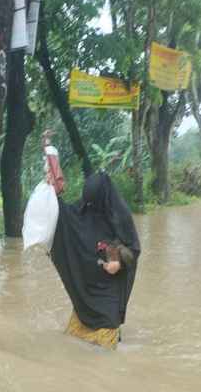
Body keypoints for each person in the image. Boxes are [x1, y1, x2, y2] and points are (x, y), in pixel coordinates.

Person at [43, 132, 140, 350]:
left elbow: (133, 248)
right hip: (86, 297)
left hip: (108, 295)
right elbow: (61, 215)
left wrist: (119, 261)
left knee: (104, 357)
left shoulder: (119, 216)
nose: (88, 207)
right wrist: (50, 160)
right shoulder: (84, 210)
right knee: (74, 345)